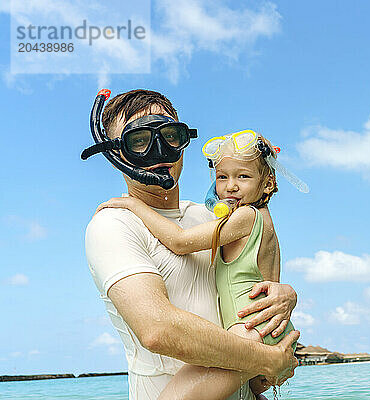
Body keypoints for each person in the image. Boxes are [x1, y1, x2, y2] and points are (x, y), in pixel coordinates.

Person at [84, 89, 299, 400]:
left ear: (183, 141)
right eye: (139, 140)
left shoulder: (206, 216)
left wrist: (284, 293)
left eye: (169, 135)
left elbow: (250, 265)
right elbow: (158, 329)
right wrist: (266, 360)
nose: (158, 150)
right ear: (116, 155)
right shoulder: (114, 224)